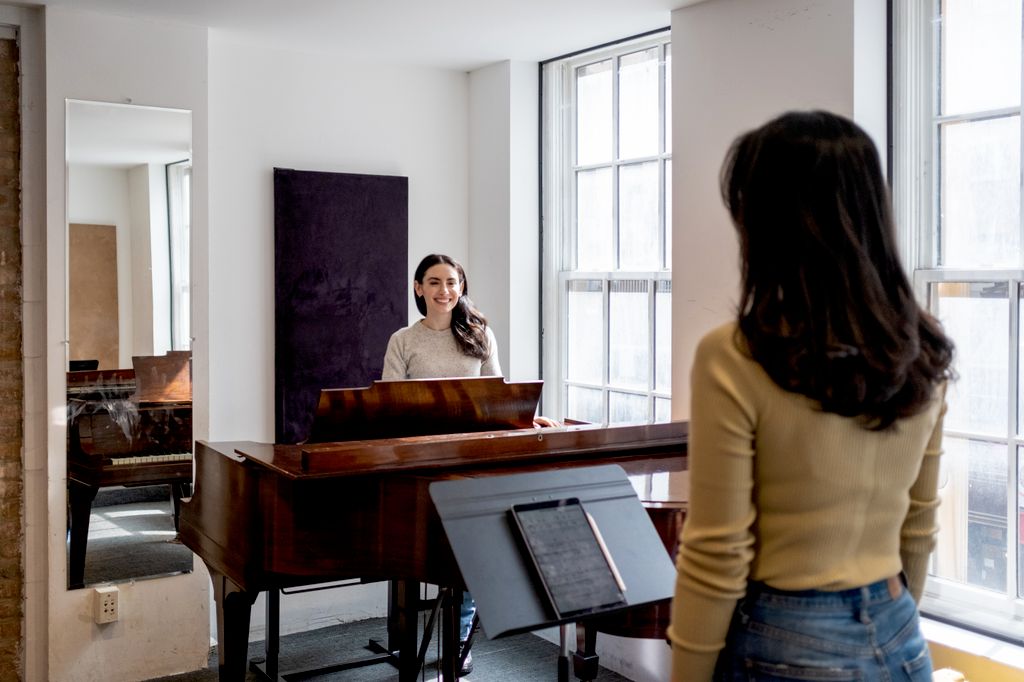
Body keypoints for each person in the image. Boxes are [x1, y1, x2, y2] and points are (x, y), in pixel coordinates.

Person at [668, 111, 955, 681]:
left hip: (784, 637)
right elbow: (919, 522)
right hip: (900, 633)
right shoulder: (921, 347)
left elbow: (719, 549)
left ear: (767, 221)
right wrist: (885, 626)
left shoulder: (735, 354)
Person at [381, 253, 496, 676]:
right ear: (418, 288)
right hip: (417, 464)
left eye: (452, 282)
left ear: (461, 287)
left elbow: (497, 396)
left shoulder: (480, 335)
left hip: (468, 462)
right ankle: (410, 640)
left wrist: (528, 415)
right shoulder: (403, 340)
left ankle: (461, 644)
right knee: (418, 553)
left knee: (467, 556)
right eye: (434, 282)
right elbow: (390, 406)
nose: (444, 290)